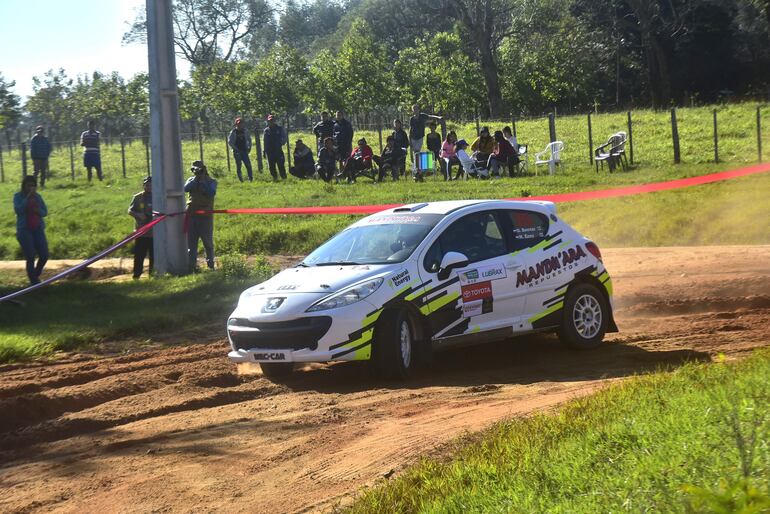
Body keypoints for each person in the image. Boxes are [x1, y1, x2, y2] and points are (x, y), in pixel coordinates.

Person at [14, 175, 48, 284]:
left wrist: (38, 211)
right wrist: (27, 198)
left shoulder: (38, 197)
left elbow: (45, 212)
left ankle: (35, 275)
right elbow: (18, 210)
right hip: (24, 229)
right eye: (29, 185)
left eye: (33, 186)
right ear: (24, 186)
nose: (31, 188)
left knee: (44, 255)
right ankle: (33, 281)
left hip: (38, 228)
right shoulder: (18, 196)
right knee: (30, 255)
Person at [184, 160, 217, 271]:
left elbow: (211, 193)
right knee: (191, 244)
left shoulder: (211, 181)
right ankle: (192, 267)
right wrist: (196, 180)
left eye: (198, 169)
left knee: (207, 243)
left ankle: (211, 265)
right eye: (193, 169)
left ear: (204, 169)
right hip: (192, 216)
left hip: (205, 217)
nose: (196, 171)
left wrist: (203, 182)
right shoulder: (191, 180)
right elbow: (185, 188)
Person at [128, 176, 154, 279]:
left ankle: (153, 275)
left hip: (154, 233)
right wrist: (138, 215)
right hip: (141, 232)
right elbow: (130, 210)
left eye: (151, 185)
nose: (149, 187)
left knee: (154, 256)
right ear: (144, 185)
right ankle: (136, 275)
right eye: (147, 185)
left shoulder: (158, 197)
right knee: (139, 255)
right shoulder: (138, 197)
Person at [228, 117, 253, 182]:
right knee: (239, 165)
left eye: (241, 123)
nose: (240, 125)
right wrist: (235, 148)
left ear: (243, 124)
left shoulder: (245, 131)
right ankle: (241, 179)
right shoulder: (233, 132)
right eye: (238, 124)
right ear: (236, 124)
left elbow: (249, 139)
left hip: (244, 150)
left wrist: (249, 147)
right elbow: (230, 142)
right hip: (237, 151)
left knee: (248, 165)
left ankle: (250, 179)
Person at [263, 114, 287, 180]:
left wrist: (282, 143)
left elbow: (284, 137)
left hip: (278, 150)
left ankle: (284, 178)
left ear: (275, 121)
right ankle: (275, 178)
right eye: (269, 121)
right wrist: (264, 151)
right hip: (269, 151)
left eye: (272, 120)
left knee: (281, 165)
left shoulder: (280, 128)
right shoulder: (266, 130)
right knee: (271, 166)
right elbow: (264, 141)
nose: (271, 122)